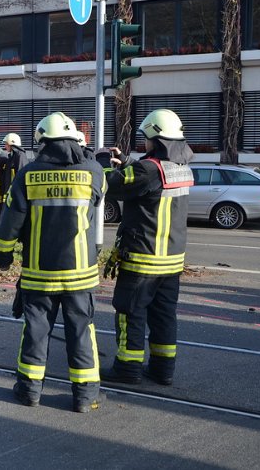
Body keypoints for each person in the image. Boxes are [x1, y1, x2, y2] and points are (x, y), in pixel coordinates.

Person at [0, 112, 105, 413]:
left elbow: (10, 223)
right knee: (81, 331)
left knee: (36, 330)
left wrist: (2, 257)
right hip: (81, 273)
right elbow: (95, 203)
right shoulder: (94, 171)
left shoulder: (28, 174)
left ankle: (29, 391)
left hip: (39, 272)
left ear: (42, 140)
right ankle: (85, 397)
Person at [98, 109, 194, 387]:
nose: (145, 143)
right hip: (172, 261)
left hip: (143, 259)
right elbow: (150, 182)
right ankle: (163, 369)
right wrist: (127, 161)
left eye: (147, 138)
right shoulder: (180, 168)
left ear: (156, 138)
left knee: (130, 313)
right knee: (164, 316)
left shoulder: (148, 169)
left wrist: (104, 159)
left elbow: (109, 185)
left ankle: (128, 368)